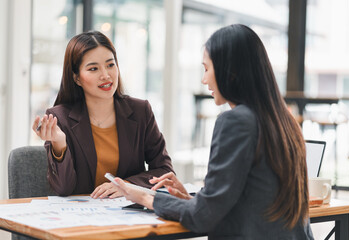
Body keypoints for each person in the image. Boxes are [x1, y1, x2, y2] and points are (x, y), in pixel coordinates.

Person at [110, 24, 314, 239]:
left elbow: (203, 217)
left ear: (231, 71)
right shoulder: (284, 121)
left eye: (207, 69)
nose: (203, 79)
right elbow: (248, 203)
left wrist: (146, 197)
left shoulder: (236, 121)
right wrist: (193, 202)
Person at [32, 31, 174, 198]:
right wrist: (59, 144)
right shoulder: (60, 118)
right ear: (77, 78)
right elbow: (63, 189)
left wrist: (126, 186)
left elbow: (165, 171)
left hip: (129, 216)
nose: (106, 75)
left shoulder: (140, 111)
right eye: (93, 68)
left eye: (110, 65)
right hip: (80, 218)